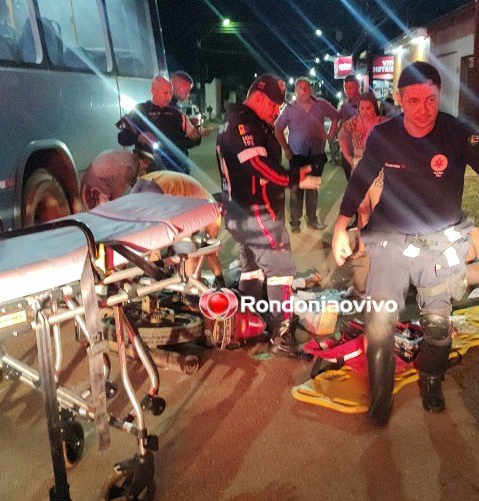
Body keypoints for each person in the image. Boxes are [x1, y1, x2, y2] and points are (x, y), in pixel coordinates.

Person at [331, 61, 479, 425]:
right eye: (413, 101)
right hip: (391, 241)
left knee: (436, 326)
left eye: (430, 100)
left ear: (439, 95)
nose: (423, 110)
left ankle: (431, 377)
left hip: (439, 243)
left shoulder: (457, 134)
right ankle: (381, 402)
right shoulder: (384, 136)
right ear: (400, 99)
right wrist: (341, 223)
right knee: (380, 321)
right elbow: (361, 179)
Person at [216, 74, 314, 357]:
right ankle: (282, 335)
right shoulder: (243, 123)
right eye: (274, 105)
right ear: (258, 98)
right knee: (281, 271)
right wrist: (293, 178)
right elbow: (258, 164)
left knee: (252, 268)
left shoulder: (238, 120)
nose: (277, 111)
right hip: (257, 212)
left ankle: (251, 324)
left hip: (238, 212)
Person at [130, 170, 224, 285]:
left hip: (143, 183)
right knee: (187, 247)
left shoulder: (198, 197)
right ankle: (190, 289)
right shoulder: (214, 211)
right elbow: (210, 250)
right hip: (159, 189)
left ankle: (144, 276)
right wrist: (220, 279)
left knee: (146, 235)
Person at [274, 77, 340, 232]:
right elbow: (278, 130)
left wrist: (330, 135)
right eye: (300, 87)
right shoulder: (289, 108)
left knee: (312, 189)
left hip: (316, 155)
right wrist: (286, 150)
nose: (303, 90)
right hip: (297, 157)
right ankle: (295, 223)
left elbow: (336, 116)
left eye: (306, 87)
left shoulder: (321, 104)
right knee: (296, 190)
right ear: (295, 91)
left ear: (311, 89)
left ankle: (312, 220)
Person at [117, 75, 200, 174]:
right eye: (165, 93)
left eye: (171, 93)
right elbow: (122, 138)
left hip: (177, 171)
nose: (169, 97)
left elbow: (187, 142)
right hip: (150, 173)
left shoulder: (178, 114)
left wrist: (196, 137)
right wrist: (139, 137)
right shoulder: (140, 111)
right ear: (153, 91)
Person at [79, 146, 154, 208]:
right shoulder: (130, 168)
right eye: (143, 168)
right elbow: (116, 197)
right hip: (94, 194)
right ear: (141, 160)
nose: (142, 172)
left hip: (88, 189)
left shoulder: (126, 156)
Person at [338, 91, 387, 171]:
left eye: (368, 108)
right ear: (358, 108)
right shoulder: (353, 122)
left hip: (377, 168)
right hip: (358, 168)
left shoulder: (382, 122)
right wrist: (349, 158)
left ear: (374, 107)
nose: (365, 112)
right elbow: (341, 136)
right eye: (362, 108)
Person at [337, 75, 362, 178]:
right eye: (345, 88)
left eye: (351, 88)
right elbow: (340, 125)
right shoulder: (344, 106)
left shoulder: (366, 103)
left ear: (358, 87)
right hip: (347, 151)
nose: (348, 91)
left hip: (362, 152)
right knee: (350, 182)